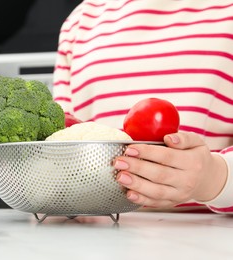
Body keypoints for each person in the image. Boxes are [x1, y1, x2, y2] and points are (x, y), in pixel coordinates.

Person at [53, 0, 233, 213]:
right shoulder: (81, 20)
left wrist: (213, 178)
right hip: (98, 238)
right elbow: (57, 144)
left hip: (210, 240)